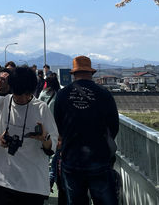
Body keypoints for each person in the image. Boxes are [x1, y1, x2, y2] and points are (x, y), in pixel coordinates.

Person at [0, 65, 58, 205]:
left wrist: (44, 138)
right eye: (18, 94)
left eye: (27, 94)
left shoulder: (41, 108)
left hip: (32, 186)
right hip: (1, 181)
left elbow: (52, 147)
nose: (22, 98)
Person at [54, 56, 120, 205]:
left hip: (71, 157)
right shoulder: (104, 94)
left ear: (73, 74)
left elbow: (57, 125)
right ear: (91, 73)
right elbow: (114, 126)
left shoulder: (62, 95)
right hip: (99, 157)